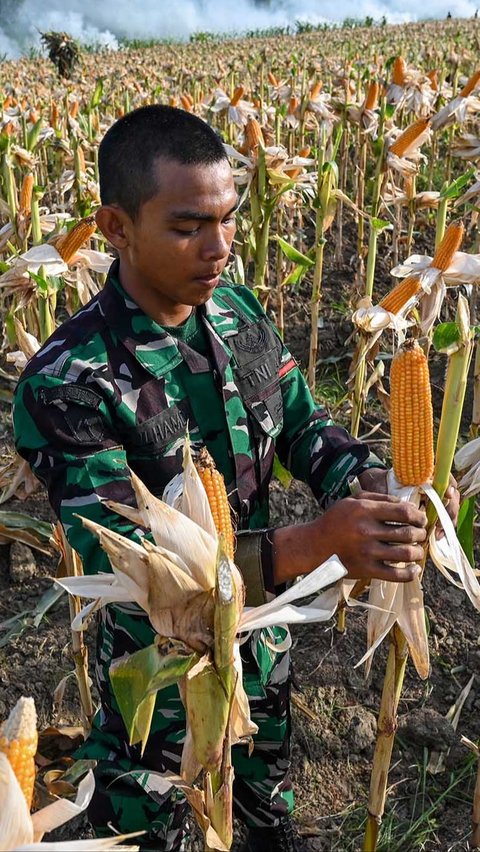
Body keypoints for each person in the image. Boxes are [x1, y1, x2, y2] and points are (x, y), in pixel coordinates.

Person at [12, 105, 451, 852]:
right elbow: (142, 565)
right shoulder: (68, 383)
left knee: (264, 824)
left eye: (230, 219)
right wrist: (321, 542)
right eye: (188, 227)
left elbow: (308, 429)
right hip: (160, 693)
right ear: (114, 228)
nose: (219, 248)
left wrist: (370, 479)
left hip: (263, 661)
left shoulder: (239, 313)